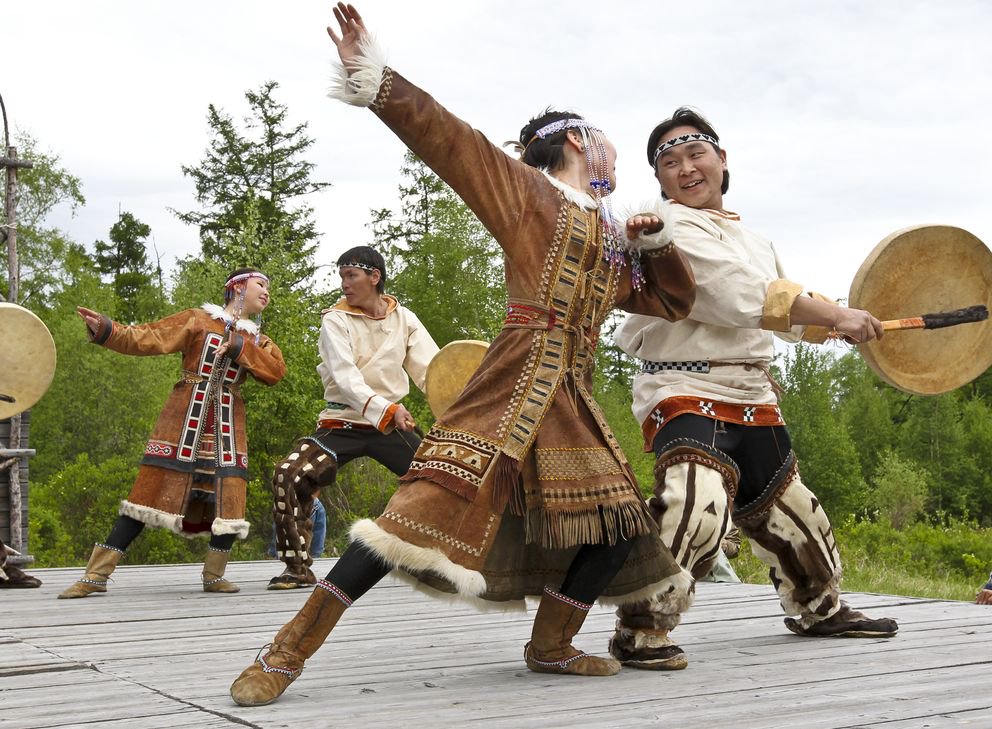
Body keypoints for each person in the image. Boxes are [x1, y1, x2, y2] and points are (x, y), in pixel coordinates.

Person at [228, 3, 698, 706]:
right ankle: (288, 646)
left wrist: (655, 240)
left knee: (619, 521)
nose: (612, 152)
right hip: (508, 386)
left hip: (570, 399)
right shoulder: (530, 194)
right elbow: (452, 142)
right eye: (602, 139)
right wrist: (377, 76)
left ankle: (551, 644)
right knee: (408, 519)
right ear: (574, 139)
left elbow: (671, 301)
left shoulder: (612, 237)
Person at [606, 107, 899, 670]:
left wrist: (840, 323)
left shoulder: (754, 238)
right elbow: (738, 292)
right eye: (669, 162)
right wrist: (839, 314)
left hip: (751, 391)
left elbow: (772, 305)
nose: (685, 168)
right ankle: (640, 627)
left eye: (695, 155)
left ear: (722, 160)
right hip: (683, 385)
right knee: (696, 504)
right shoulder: (669, 230)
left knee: (794, 513)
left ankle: (818, 605)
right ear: (660, 180)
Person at [58, 268, 286, 598]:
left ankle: (214, 576)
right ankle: (95, 575)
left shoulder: (258, 340)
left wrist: (238, 346)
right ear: (237, 287)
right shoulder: (197, 320)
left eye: (268, 286)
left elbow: (275, 371)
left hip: (228, 428)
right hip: (181, 424)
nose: (266, 291)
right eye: (260, 284)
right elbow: (148, 337)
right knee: (146, 494)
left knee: (229, 497)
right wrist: (107, 329)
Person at [266, 245, 438, 590]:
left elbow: (431, 372)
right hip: (340, 423)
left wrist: (455, 407)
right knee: (290, 473)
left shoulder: (405, 319)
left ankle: (437, 559)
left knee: (437, 480)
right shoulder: (334, 320)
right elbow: (346, 379)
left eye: (351, 275)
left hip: (389, 426)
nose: (344, 283)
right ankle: (296, 568)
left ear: (374, 277)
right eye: (341, 276)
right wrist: (386, 409)